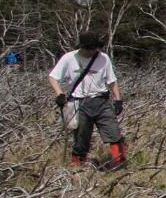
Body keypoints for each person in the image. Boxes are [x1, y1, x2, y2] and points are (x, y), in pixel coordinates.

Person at [48, 31, 126, 169]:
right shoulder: (69, 58)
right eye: (89, 48)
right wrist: (59, 94)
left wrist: (118, 100)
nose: (92, 51)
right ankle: (78, 164)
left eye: (94, 48)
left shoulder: (104, 58)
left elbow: (112, 80)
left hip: (101, 101)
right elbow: (53, 77)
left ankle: (119, 162)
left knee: (113, 131)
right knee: (81, 136)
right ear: (82, 47)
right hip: (79, 102)